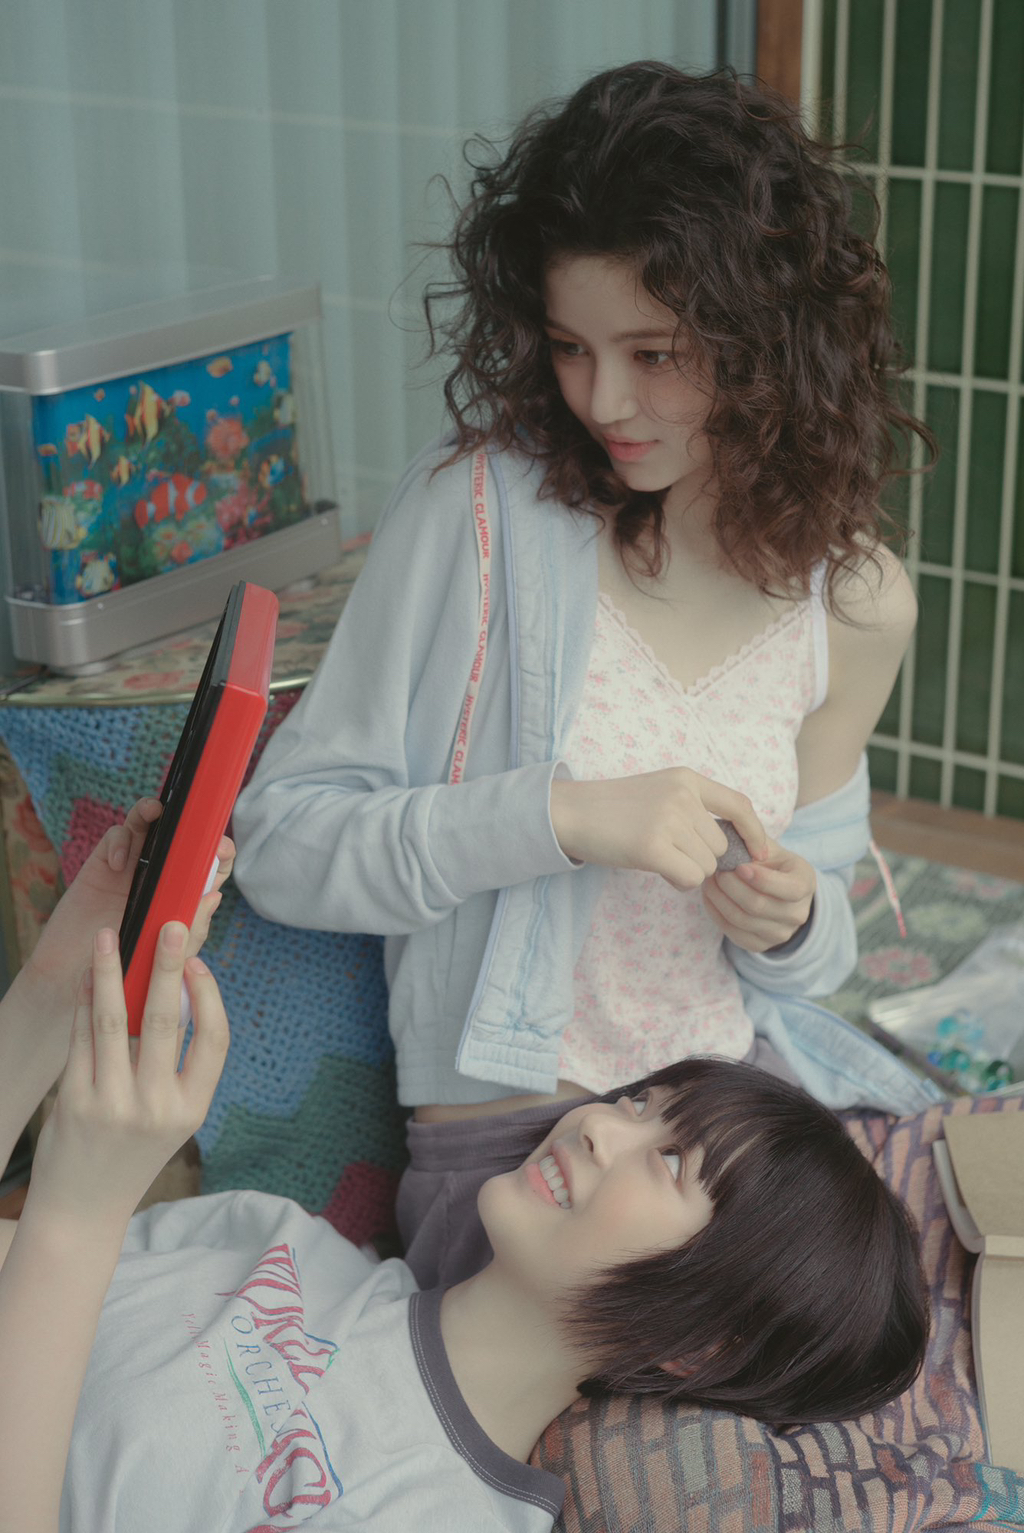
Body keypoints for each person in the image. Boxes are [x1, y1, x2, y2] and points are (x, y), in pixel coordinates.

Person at [232, 62, 944, 1290]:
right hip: (522, 1161)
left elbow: (821, 936)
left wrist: (788, 920)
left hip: (727, 1129)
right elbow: (283, 843)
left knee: (921, 1326)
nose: (603, 398)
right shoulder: (480, 514)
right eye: (569, 346)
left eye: (653, 353)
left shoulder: (854, 599)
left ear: (768, 344)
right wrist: (558, 819)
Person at [0, 808, 928, 1531]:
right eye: (642, 1100)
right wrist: (50, 987)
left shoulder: (441, 1512)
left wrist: (79, 1214)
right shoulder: (281, 1240)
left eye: (673, 1160)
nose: (601, 1124)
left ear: (702, 1346)